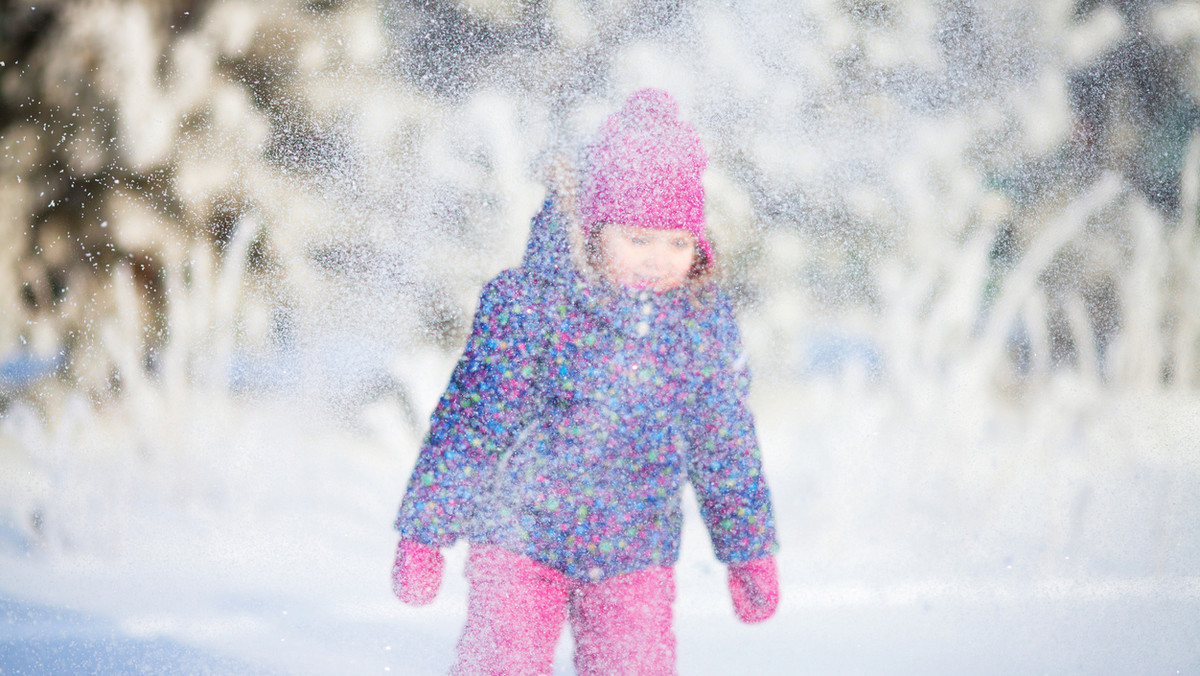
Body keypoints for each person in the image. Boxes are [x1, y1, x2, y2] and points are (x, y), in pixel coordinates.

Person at [391, 88, 779, 676]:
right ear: (594, 231)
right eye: (638, 238)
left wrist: (747, 548)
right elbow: (473, 422)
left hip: (635, 549)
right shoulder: (534, 307)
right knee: (506, 663)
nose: (659, 258)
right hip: (521, 535)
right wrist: (427, 527)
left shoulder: (696, 326)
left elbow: (724, 443)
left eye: (678, 242)